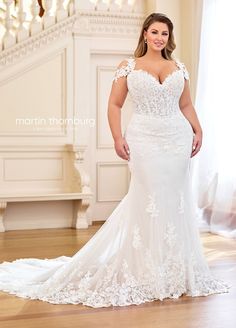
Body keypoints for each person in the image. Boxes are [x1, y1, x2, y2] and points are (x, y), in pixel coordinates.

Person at [0, 13, 230, 308]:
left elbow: (185, 104)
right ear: (145, 34)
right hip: (144, 139)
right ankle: (145, 268)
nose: (160, 38)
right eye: (155, 32)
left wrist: (198, 128)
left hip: (176, 139)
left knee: (175, 199)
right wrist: (117, 137)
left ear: (168, 38)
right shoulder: (129, 67)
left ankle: (173, 268)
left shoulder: (178, 67)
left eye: (164, 33)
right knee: (149, 198)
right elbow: (114, 104)